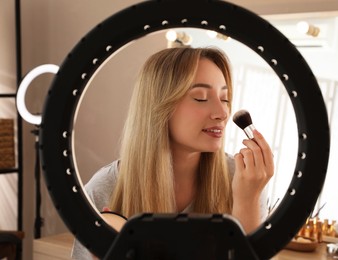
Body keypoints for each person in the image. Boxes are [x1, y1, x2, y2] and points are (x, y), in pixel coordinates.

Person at [71, 46, 274, 259]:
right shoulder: (104, 190)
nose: (222, 113)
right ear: (159, 106)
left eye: (224, 98)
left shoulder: (244, 180)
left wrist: (247, 201)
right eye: (201, 98)